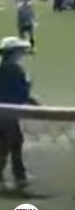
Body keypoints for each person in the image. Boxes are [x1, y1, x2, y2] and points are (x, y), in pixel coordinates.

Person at [0, 37, 38, 188]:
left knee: (12, 142)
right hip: (7, 114)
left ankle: (19, 174)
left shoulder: (3, 67)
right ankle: (18, 175)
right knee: (10, 144)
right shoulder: (14, 70)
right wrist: (28, 87)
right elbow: (20, 94)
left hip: (6, 112)